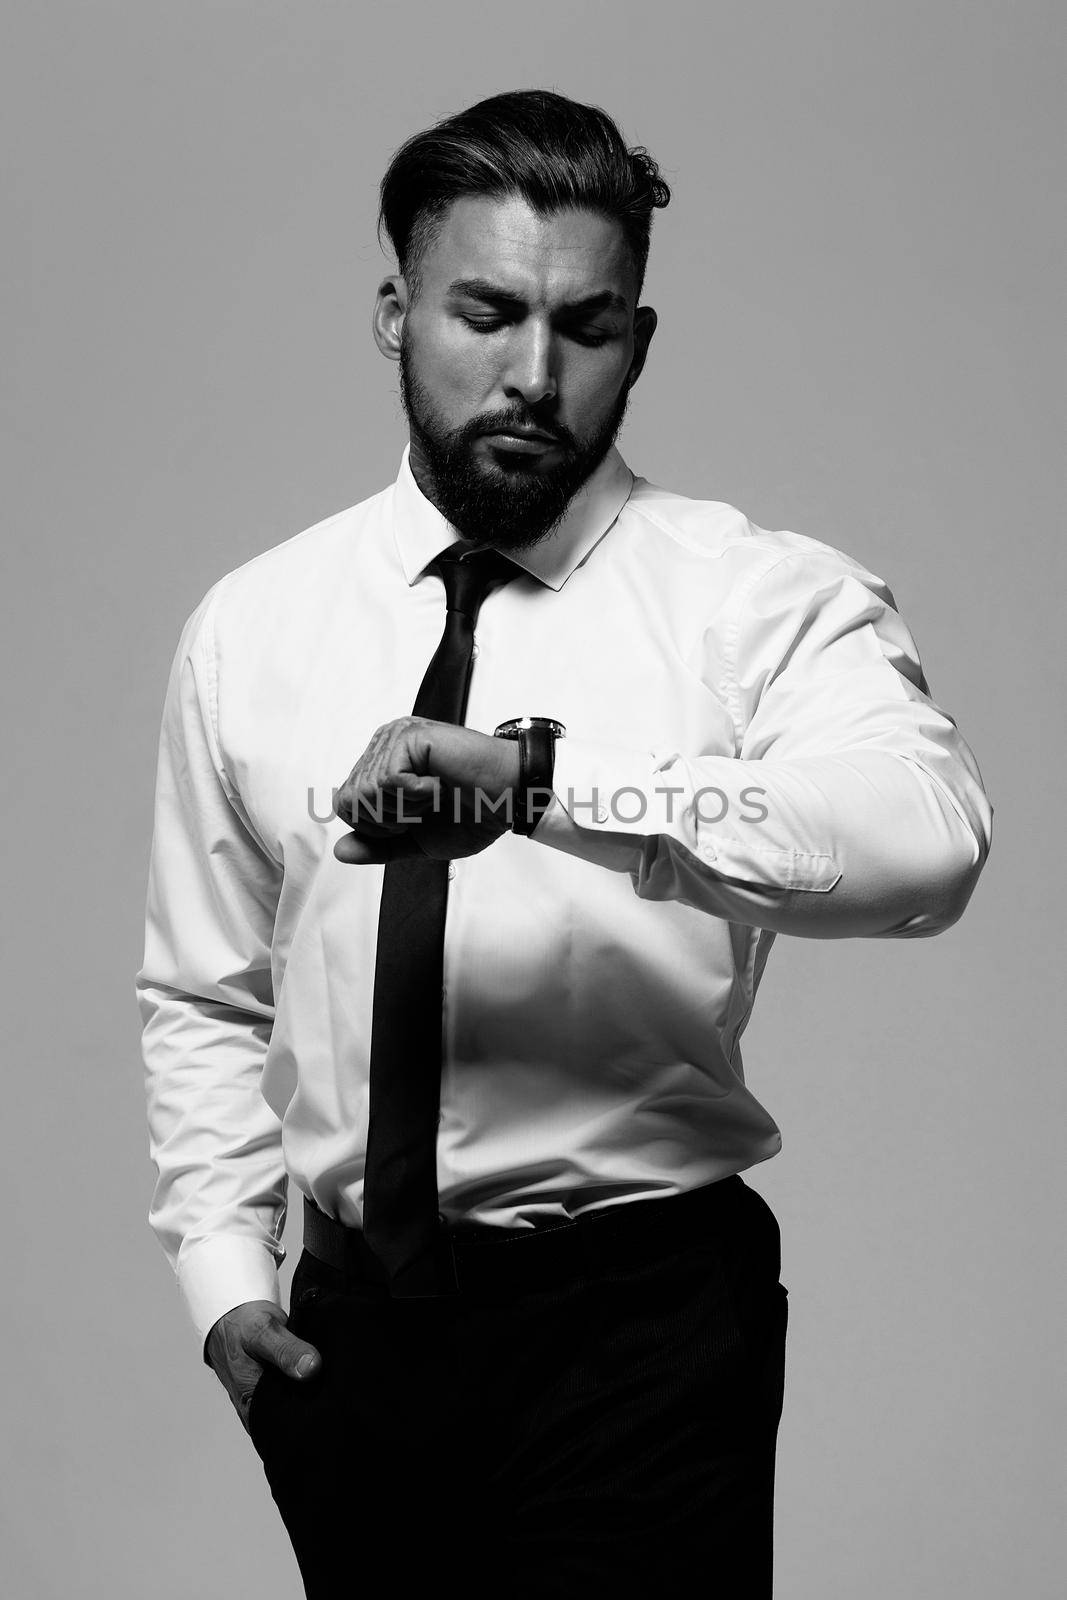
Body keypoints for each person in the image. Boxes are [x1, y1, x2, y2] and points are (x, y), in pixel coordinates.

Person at [137, 89, 992, 1597]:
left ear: (638, 343)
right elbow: (207, 991)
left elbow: (926, 845)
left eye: (586, 328)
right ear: (397, 315)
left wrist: (548, 782)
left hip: (639, 1328)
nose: (533, 375)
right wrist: (221, 1277)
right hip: (351, 1338)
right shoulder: (251, 627)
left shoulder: (754, 600)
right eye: (486, 314)